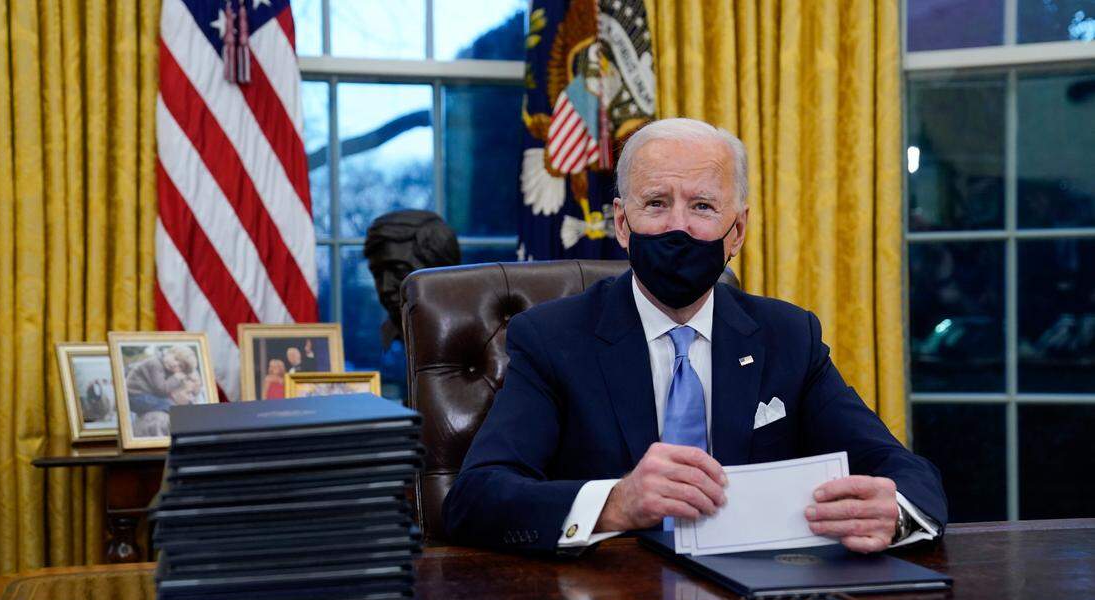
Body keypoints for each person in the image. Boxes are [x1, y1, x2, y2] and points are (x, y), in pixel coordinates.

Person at [443, 118, 948, 555]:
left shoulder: (788, 336)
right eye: (657, 203)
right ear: (622, 223)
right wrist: (615, 503)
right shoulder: (552, 338)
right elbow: (477, 498)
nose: (677, 227)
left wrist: (895, 514)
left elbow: (900, 468)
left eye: (703, 206)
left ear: (738, 230)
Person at [364, 210, 461, 401]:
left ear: (439, 272)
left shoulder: (478, 339)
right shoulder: (378, 344)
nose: (384, 287)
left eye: (398, 271)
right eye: (377, 274)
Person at [124, 346, 199, 416]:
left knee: (168, 403)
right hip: (134, 396)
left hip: (143, 395)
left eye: (180, 366)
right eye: (176, 359)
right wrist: (176, 378)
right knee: (168, 405)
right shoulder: (155, 364)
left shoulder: (166, 367)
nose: (175, 364)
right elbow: (161, 389)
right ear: (168, 352)